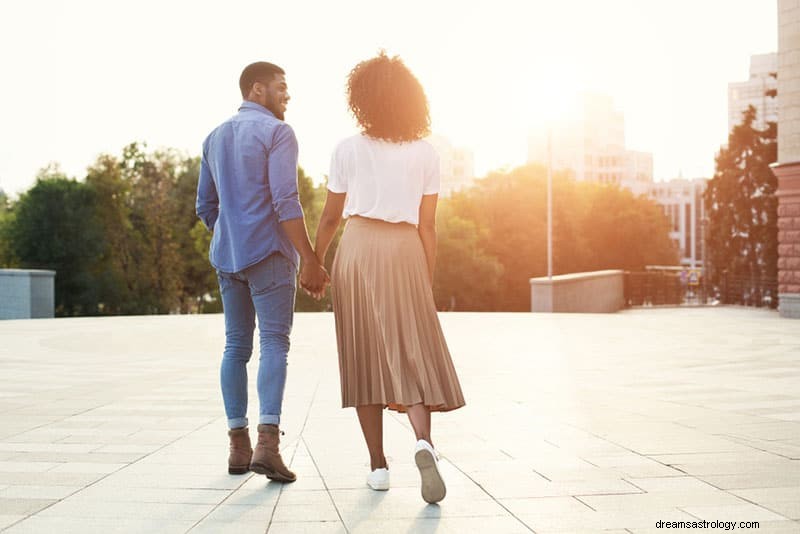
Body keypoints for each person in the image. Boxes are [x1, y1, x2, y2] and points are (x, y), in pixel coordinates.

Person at [314, 52, 465, 504]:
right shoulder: (426, 152)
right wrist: (426, 274)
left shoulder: (347, 148)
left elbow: (330, 217)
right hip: (405, 250)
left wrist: (315, 262)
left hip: (357, 247)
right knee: (412, 350)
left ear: (361, 100)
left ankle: (378, 466)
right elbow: (429, 226)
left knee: (363, 354)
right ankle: (423, 442)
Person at [196, 61, 328, 482]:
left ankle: (239, 448)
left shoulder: (213, 137)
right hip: (270, 254)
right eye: (280, 88)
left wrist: (232, 234)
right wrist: (310, 258)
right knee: (274, 343)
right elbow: (286, 201)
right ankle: (268, 446)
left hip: (227, 257)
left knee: (235, 348)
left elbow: (205, 206)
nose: (287, 95)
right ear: (257, 90)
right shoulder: (277, 132)